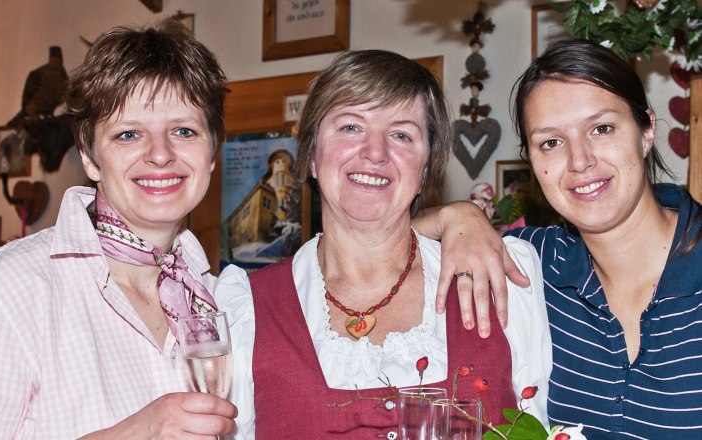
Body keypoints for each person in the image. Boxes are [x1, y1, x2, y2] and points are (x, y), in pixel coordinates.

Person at [0, 18, 237, 438]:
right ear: (89, 158)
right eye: (128, 134)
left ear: (212, 154)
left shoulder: (212, 296)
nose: (161, 154)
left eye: (184, 130)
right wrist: (133, 433)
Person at [214, 49, 552, 439]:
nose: (375, 153)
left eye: (401, 134)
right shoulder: (243, 308)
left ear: (425, 168)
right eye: (351, 127)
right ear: (310, 155)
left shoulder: (501, 276)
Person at [446, 38, 702, 438]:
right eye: (551, 142)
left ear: (646, 130)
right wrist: (457, 215)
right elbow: (390, 235)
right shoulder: (536, 263)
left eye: (601, 129)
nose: (580, 161)